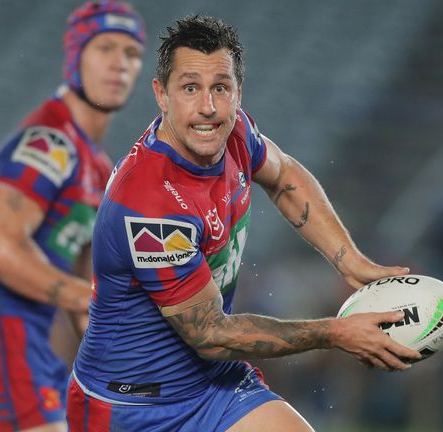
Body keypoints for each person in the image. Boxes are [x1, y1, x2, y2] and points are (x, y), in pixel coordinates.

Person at [68, 16, 422, 432]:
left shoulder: (233, 131)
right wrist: (335, 332)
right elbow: (211, 333)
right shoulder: (149, 203)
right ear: (161, 95)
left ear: (238, 92)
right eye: (190, 88)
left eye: (221, 87)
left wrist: (351, 263)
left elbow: (285, 177)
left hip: (213, 384)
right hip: (132, 407)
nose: (208, 107)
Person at [0, 2, 145, 431]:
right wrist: (97, 301)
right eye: (104, 48)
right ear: (74, 55)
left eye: (131, 53)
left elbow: (89, 297)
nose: (119, 64)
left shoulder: (100, 167)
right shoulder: (49, 142)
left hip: (24, 347)